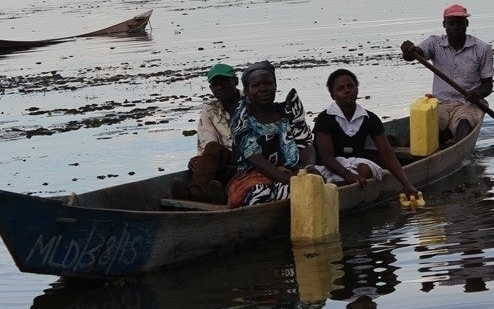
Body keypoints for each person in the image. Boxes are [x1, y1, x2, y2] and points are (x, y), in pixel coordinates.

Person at [310, 68, 418, 198]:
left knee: (365, 170)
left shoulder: (369, 118)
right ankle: (339, 191)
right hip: (328, 166)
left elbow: (387, 154)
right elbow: (326, 157)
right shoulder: (325, 118)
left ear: (357, 89)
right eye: (340, 88)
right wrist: (347, 174)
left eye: (351, 86)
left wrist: (406, 184)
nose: (347, 90)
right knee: (321, 178)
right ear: (333, 95)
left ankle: (348, 192)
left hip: (355, 165)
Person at [226, 61, 317, 208]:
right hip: (254, 176)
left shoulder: (289, 111)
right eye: (256, 85)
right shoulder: (242, 118)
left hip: (293, 173)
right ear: (248, 91)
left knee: (300, 192)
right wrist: (290, 180)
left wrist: (310, 167)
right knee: (260, 192)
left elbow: (305, 143)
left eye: (268, 83)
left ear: (275, 86)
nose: (263, 89)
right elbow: (255, 158)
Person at [400, 3, 494, 145]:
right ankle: (407, 154)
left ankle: (457, 149)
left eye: (459, 23)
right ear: (445, 25)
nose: (456, 27)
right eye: (451, 23)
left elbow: (488, 86)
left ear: (466, 24)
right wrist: (408, 50)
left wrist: (477, 94)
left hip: (468, 104)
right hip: (441, 103)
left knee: (464, 123)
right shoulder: (435, 43)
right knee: (420, 126)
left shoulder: (482, 49)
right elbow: (414, 55)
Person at [171, 63, 241, 204]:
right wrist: (200, 160)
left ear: (235, 81)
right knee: (208, 152)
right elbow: (207, 145)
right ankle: (199, 192)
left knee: (214, 162)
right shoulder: (210, 110)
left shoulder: (251, 103)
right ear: (211, 88)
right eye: (215, 84)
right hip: (226, 162)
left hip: (252, 159)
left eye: (225, 82)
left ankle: (198, 194)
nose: (220, 87)